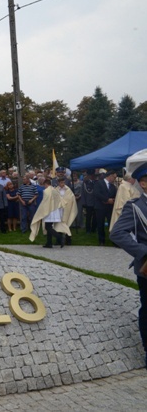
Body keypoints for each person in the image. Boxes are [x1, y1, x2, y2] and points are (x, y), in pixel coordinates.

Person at [110, 151, 147, 369]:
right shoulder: (135, 207)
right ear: (142, 183)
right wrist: (143, 251)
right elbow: (117, 233)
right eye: (146, 180)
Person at [30, 179, 69, 248]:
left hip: (49, 211)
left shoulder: (46, 191)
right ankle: (49, 243)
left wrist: (41, 210)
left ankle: (59, 237)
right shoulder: (54, 190)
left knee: (47, 227)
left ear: (46, 184)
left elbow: (45, 202)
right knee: (49, 226)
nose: (44, 186)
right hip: (55, 210)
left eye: (44, 185)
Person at [93, 169, 117, 246]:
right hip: (100, 207)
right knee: (100, 224)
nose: (115, 179)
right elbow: (97, 193)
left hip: (109, 208)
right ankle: (101, 240)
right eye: (114, 177)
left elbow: (115, 195)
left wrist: (112, 200)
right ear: (110, 176)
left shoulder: (113, 186)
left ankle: (114, 240)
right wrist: (106, 200)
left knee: (111, 223)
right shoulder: (99, 183)